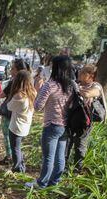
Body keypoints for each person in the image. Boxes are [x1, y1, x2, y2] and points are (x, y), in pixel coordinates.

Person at [26, 56, 73, 188]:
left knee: (48, 157)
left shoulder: (50, 85)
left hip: (52, 125)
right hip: (65, 125)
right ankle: (54, 182)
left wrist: (39, 90)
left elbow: (37, 106)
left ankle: (41, 183)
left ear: (55, 68)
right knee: (60, 157)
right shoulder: (71, 86)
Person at [65, 64, 107, 172]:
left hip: (84, 122)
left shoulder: (96, 86)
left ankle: (77, 170)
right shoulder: (77, 83)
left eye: (83, 72)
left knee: (80, 145)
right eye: (80, 70)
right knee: (67, 143)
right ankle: (63, 167)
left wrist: (77, 89)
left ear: (91, 76)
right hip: (71, 118)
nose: (79, 73)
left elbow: (89, 94)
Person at [0, 59, 31, 166]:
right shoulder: (28, 83)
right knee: (16, 144)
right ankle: (15, 160)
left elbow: (3, 96)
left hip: (12, 117)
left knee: (10, 140)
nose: (11, 71)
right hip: (22, 119)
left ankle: (12, 160)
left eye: (12, 68)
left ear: (18, 71)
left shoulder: (15, 84)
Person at [7, 70, 36, 173]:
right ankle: (21, 165)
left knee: (15, 149)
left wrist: (12, 95)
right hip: (25, 126)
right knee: (18, 148)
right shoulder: (32, 92)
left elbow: (9, 107)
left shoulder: (19, 95)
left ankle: (18, 169)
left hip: (16, 126)